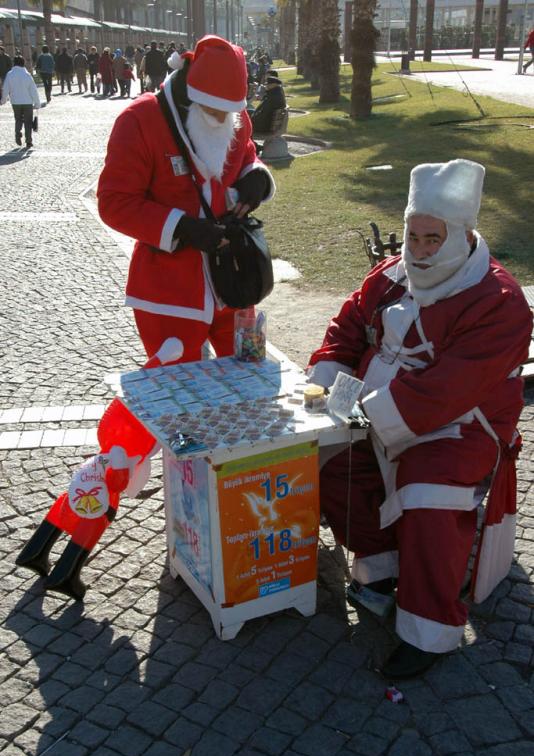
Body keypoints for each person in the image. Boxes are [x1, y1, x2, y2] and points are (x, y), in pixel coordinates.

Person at [308, 159, 532, 679]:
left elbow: (451, 387)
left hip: (460, 425)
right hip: (374, 410)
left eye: (434, 238)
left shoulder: (500, 301)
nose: (422, 249)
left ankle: (429, 630)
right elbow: (345, 330)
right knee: (327, 466)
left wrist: (368, 415)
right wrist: (334, 397)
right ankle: (383, 567)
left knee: (426, 491)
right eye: (414, 235)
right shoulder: (389, 277)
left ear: (464, 234)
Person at [97, 34, 275, 363]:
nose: (224, 120)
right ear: (191, 95)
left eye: (231, 111)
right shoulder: (138, 120)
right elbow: (113, 202)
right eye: (214, 111)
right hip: (169, 294)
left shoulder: (236, 114)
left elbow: (245, 151)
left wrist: (256, 176)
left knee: (252, 379)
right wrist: (183, 228)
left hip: (236, 281)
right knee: (179, 402)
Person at [0, 54, 41, 148]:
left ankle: (17, 133)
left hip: (15, 102)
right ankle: (28, 141)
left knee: (18, 119)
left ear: (14, 63)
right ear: (23, 63)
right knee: (28, 122)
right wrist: (37, 103)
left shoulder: (10, 74)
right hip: (27, 102)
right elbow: (33, 90)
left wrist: (3, 100)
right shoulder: (27, 75)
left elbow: (5, 88)